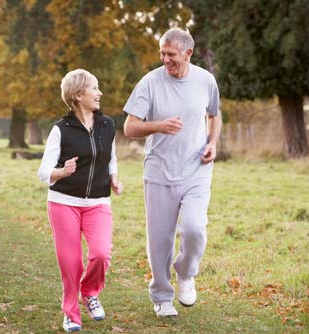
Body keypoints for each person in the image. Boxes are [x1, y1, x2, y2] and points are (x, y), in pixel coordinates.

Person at [123, 27, 222, 317]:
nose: (164, 59)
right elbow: (129, 127)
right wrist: (158, 125)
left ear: (188, 53)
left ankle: (186, 272)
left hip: (197, 170)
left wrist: (213, 143)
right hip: (160, 172)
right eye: (162, 53)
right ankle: (162, 296)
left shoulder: (206, 80)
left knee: (194, 229)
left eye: (170, 54)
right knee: (160, 239)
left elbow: (214, 115)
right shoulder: (150, 83)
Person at [38, 69, 123, 332]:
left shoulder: (107, 125)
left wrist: (114, 177)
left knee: (100, 254)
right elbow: (43, 172)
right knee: (70, 261)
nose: (100, 93)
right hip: (64, 202)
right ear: (77, 95)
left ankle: (90, 292)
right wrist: (62, 172)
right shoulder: (60, 130)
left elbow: (111, 157)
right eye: (94, 88)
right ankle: (71, 313)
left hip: (98, 201)